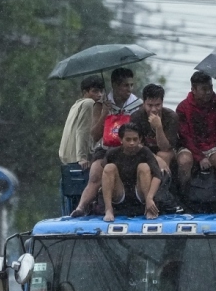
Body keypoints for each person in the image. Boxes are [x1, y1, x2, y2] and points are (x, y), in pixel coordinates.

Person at [71, 67, 140, 217]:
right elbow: (94, 136)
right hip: (106, 147)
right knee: (96, 172)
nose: (129, 89)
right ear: (115, 85)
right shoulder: (102, 104)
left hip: (129, 148)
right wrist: (104, 115)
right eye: (125, 86)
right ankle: (81, 207)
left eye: (131, 85)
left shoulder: (137, 105)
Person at [176, 71, 216, 190]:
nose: (208, 92)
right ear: (193, 90)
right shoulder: (182, 107)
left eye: (210, 88)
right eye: (204, 89)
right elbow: (184, 137)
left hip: (213, 146)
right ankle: (182, 197)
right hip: (190, 146)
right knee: (184, 161)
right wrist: (199, 156)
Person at [101, 123, 164, 221]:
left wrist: (150, 198)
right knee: (109, 167)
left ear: (140, 139)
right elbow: (105, 176)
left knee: (143, 167)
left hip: (140, 192)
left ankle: (148, 209)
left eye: (135, 139)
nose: (132, 143)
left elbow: (157, 176)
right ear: (121, 140)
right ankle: (109, 210)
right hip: (120, 193)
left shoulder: (145, 152)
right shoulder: (112, 153)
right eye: (128, 140)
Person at [129, 83, 178, 172]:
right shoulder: (136, 117)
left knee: (163, 155)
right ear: (143, 103)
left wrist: (158, 127)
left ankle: (163, 183)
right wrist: (155, 157)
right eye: (150, 105)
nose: (154, 110)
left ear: (162, 103)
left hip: (166, 150)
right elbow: (137, 144)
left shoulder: (171, 117)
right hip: (144, 150)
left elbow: (165, 148)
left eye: (157, 105)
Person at [59, 75, 104, 169]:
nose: (99, 94)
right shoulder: (88, 103)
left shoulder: (76, 104)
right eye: (95, 91)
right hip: (78, 160)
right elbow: (82, 130)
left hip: (67, 158)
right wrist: (82, 158)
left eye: (101, 91)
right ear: (85, 92)